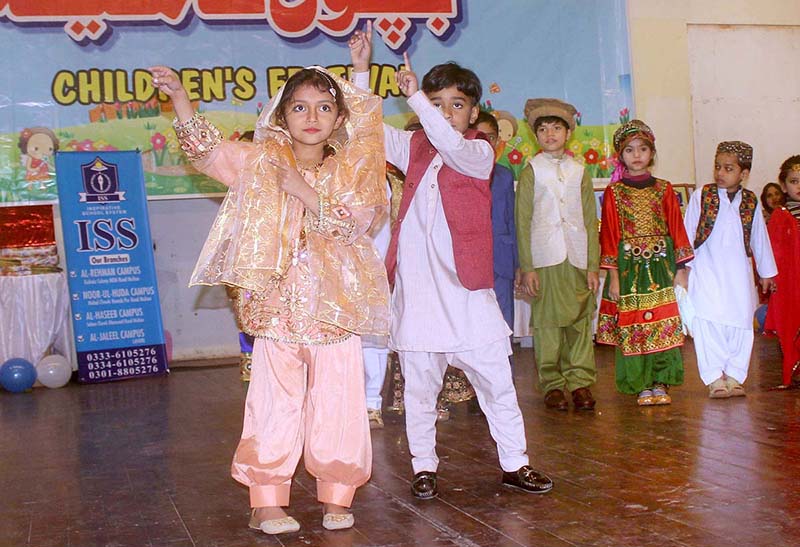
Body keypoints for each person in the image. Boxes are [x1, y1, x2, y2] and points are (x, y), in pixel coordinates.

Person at [149, 58, 388, 534]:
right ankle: (266, 500)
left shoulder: (355, 171)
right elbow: (207, 151)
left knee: (340, 404)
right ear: (281, 116)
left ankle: (338, 494)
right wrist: (178, 98)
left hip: (336, 312)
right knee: (273, 405)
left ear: (340, 119)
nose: (312, 116)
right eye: (299, 106)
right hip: (277, 311)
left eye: (324, 107)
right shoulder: (259, 161)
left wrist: (303, 190)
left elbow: (353, 226)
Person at [349, 28, 552, 499]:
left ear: (474, 112)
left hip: (469, 296)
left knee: (498, 386)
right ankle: (424, 467)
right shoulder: (412, 147)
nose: (443, 112)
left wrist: (417, 98)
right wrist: (362, 70)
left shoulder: (479, 152)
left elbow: (448, 141)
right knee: (420, 394)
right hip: (419, 298)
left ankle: (515, 464)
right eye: (436, 103)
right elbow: (363, 131)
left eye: (455, 103)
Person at [597, 120, 693, 406]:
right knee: (634, 323)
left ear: (652, 153)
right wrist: (613, 277)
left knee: (663, 321)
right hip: (629, 270)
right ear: (620, 155)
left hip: (661, 267)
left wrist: (681, 270)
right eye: (629, 150)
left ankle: (661, 380)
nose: (636, 155)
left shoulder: (664, 189)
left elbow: (676, 228)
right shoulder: (613, 193)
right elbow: (610, 235)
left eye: (643, 149)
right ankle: (639, 383)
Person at [515, 98, 600, 411]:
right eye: (543, 129)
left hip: (577, 258)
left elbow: (590, 221)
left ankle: (580, 383)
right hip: (545, 258)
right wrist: (528, 267)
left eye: (556, 128)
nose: (550, 133)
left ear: (568, 133)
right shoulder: (531, 172)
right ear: (535, 135)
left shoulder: (580, 172)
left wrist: (592, 265)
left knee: (579, 323)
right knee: (548, 324)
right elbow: (522, 222)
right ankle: (552, 383)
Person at [683, 141, 776, 398]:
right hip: (706, 269)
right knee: (707, 321)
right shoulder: (702, 195)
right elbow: (687, 231)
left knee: (741, 322)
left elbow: (759, 237)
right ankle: (714, 378)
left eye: (728, 168)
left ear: (744, 174)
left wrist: (767, 273)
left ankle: (735, 376)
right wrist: (683, 269)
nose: (720, 173)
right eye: (717, 167)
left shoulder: (750, 201)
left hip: (738, 274)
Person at [765, 156, 800, 386]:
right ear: (784, 185)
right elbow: (772, 251)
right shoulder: (780, 217)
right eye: (794, 181)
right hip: (791, 284)